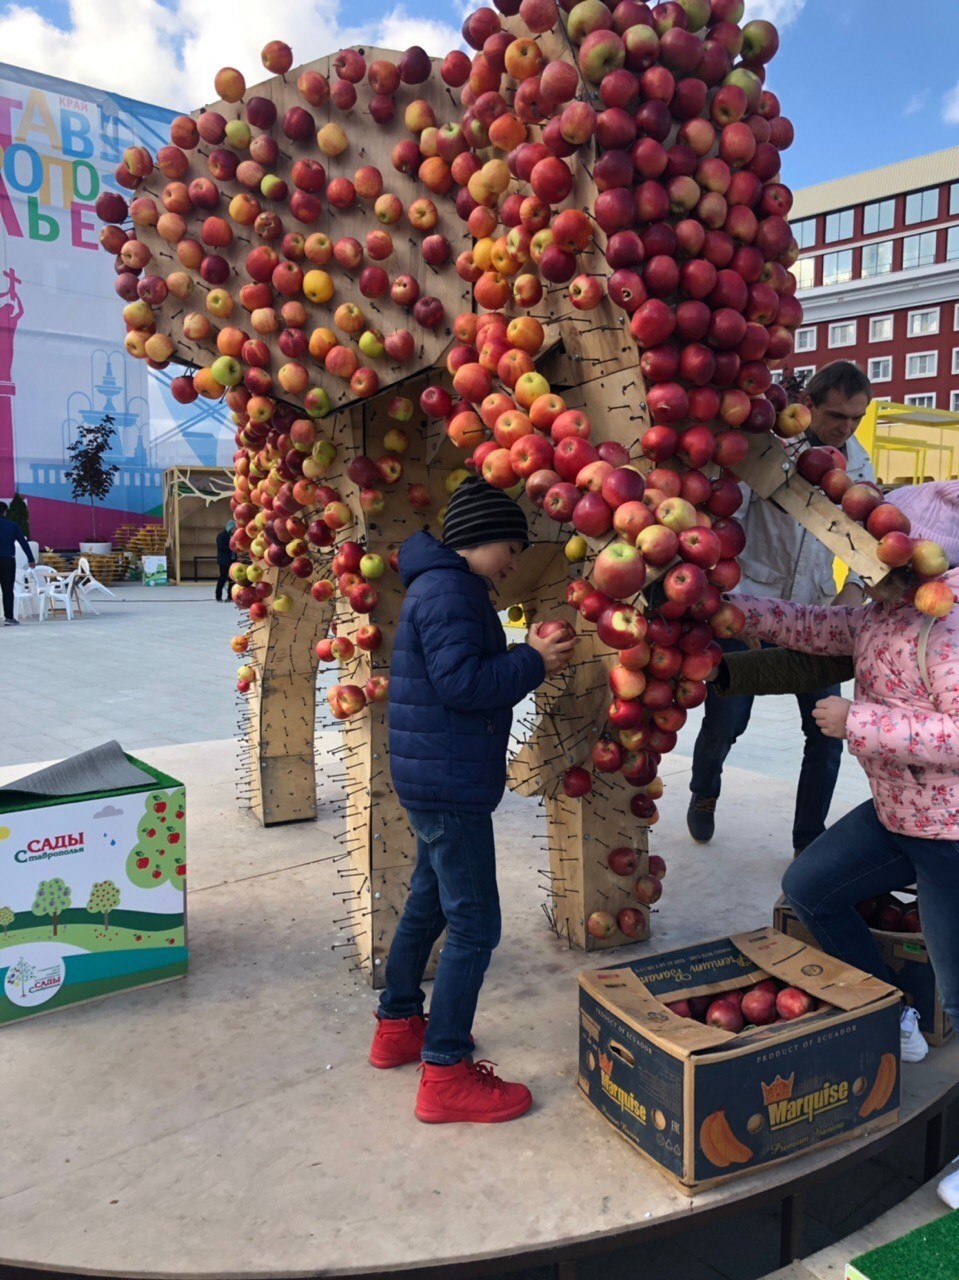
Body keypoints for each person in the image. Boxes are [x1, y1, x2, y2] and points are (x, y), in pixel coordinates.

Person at [732, 479, 959, 1075]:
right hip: (898, 814)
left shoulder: (950, 625)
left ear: (915, 560)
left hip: (950, 840)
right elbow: (810, 626)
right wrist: (733, 604)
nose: (859, 566)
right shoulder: (884, 613)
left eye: (871, 553)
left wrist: (857, 720)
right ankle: (895, 1011)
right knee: (810, 889)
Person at [368, 475, 576, 1123]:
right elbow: (463, 684)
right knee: (476, 924)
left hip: (435, 776)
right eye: (509, 546)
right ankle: (445, 1073)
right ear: (476, 539)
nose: (513, 560)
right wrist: (533, 659)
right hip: (450, 782)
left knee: (429, 903)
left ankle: (398, 1026)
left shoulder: (438, 586)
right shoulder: (452, 592)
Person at [688, 360, 876, 855]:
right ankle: (704, 790)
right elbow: (728, 522)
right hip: (752, 605)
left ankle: (807, 841)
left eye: (857, 418)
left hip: (816, 615)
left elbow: (868, 541)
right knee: (727, 717)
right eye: (838, 415)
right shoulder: (766, 453)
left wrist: (854, 587)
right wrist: (733, 606)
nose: (847, 427)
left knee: (827, 733)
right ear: (807, 404)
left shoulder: (856, 464)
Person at [0, 499, 35, 626]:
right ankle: (9, 618)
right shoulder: (12, 525)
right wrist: (31, 559)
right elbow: (24, 543)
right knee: (7, 589)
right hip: (8, 560)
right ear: (5, 512)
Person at [215, 520, 236, 602]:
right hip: (224, 561)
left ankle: (230, 596)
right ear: (229, 528)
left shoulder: (233, 536)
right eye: (234, 529)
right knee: (222, 578)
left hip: (232, 560)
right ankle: (218, 596)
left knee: (232, 579)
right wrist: (232, 547)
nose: (235, 531)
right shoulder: (221, 536)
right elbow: (221, 548)